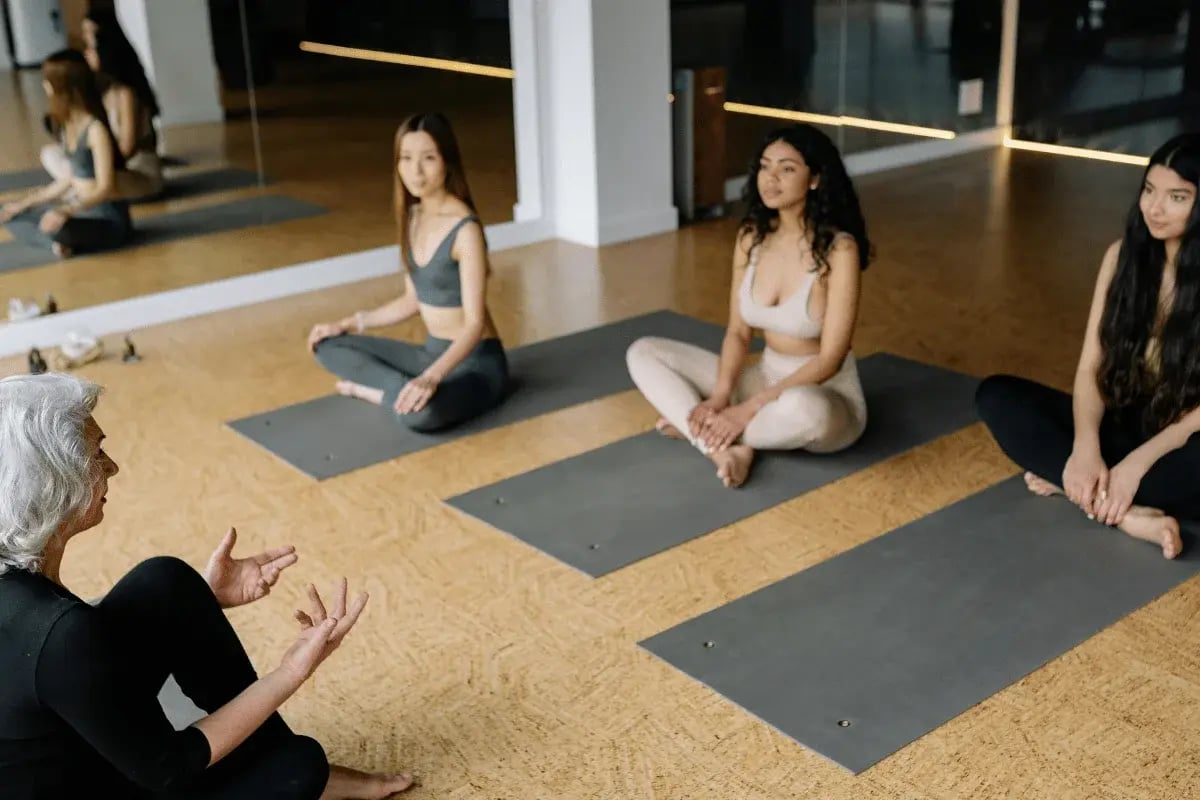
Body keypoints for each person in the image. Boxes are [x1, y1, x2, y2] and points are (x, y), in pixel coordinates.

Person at [0, 372, 416, 799]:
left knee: (167, 585)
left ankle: (275, 752)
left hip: (58, 738)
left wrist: (200, 601)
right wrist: (291, 671)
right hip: (85, 784)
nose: (113, 467)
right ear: (53, 481)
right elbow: (167, 768)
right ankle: (299, 767)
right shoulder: (57, 633)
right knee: (298, 768)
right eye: (97, 453)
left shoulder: (21, 591)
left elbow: (47, 663)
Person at [976, 133, 1200, 560]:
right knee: (997, 395)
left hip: (1182, 442)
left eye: (1177, 197)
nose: (1154, 208)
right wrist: (1084, 447)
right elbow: (1090, 368)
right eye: (1149, 191)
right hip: (1127, 427)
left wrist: (1136, 465)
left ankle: (1078, 486)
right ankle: (1127, 512)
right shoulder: (1121, 258)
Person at [626, 123, 872, 487]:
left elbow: (830, 358)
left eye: (787, 168)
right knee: (643, 352)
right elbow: (738, 333)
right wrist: (723, 396)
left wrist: (746, 410)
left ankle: (700, 430)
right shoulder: (751, 238)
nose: (771, 179)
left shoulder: (840, 250)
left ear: (815, 179)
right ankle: (724, 447)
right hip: (759, 380)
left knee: (807, 410)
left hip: (823, 394)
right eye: (765, 166)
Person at [307, 111, 509, 432]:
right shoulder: (413, 217)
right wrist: (346, 323)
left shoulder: (465, 230)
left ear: (447, 161)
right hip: (431, 353)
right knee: (328, 347)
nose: (415, 171)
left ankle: (378, 392)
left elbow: (474, 324)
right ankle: (404, 392)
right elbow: (412, 300)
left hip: (475, 364)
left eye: (428, 158)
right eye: (406, 158)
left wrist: (431, 377)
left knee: (422, 415)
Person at [0, 50, 132, 258]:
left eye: (48, 81)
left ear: (62, 87)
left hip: (105, 219)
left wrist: (67, 210)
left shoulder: (95, 129)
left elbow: (106, 187)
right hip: (79, 210)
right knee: (9, 216)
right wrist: (22, 204)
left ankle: (59, 242)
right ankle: (57, 245)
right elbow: (67, 180)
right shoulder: (66, 125)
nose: (44, 86)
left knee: (59, 227)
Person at [74, 6, 166, 201]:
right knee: (54, 157)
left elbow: (128, 147)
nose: (87, 50)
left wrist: (100, 164)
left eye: (92, 40)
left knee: (84, 174)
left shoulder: (126, 93)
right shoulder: (103, 90)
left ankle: (84, 191)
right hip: (117, 167)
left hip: (136, 171)